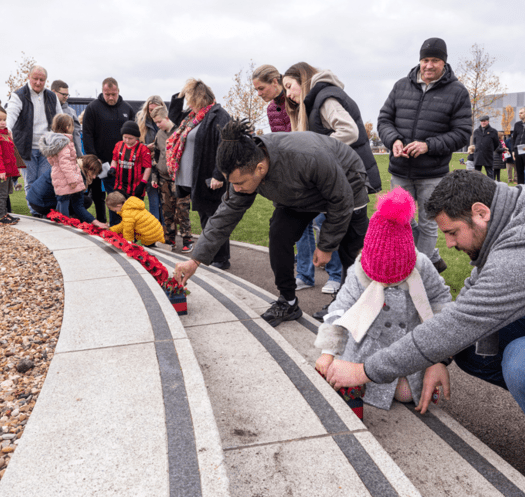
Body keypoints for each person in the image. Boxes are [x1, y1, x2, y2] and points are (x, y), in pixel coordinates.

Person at [325, 170, 525, 497]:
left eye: (451, 232)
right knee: (475, 348)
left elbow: (461, 320)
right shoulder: (510, 214)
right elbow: (469, 305)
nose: (448, 244)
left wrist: (365, 371)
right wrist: (440, 356)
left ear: (480, 212)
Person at [174, 119, 370, 327]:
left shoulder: (307, 157)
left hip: (347, 183)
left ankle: (350, 305)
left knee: (351, 251)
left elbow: (341, 199)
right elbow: (225, 215)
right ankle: (288, 302)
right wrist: (194, 260)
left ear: (260, 168)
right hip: (299, 194)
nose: (236, 189)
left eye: (239, 183)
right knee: (279, 234)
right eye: (233, 184)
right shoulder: (245, 166)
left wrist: (326, 245)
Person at [314, 187, 452, 412]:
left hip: (409, 345)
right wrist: (328, 352)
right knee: (339, 376)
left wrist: (438, 355)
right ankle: (356, 384)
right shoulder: (359, 270)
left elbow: (440, 300)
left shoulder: (422, 265)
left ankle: (382, 382)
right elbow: (340, 309)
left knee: (406, 395)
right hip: (369, 346)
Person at [283, 61, 380, 313]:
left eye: (289, 86)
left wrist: (314, 152)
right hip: (346, 180)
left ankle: (355, 306)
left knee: (353, 250)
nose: (288, 94)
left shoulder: (325, 98)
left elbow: (349, 131)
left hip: (352, 182)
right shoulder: (317, 100)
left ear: (302, 80)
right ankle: (348, 304)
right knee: (351, 249)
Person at [377, 37, 472, 274]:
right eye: (425, 60)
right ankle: (432, 260)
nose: (429, 65)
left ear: (444, 62)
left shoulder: (457, 92)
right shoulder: (401, 86)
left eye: (435, 61)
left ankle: (417, 274)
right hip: (400, 170)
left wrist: (428, 146)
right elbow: (384, 120)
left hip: (432, 173)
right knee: (401, 221)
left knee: (429, 225)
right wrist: (394, 140)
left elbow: (462, 133)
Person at [166, 79, 232, 269]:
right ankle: (212, 257)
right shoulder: (194, 117)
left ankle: (221, 259)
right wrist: (180, 94)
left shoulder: (218, 115)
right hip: (195, 179)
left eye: (190, 98)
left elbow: (225, 145)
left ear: (200, 97)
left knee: (214, 220)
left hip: (210, 178)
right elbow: (174, 115)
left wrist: (218, 175)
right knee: (206, 218)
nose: (188, 103)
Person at [6, 65, 63, 205]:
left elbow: (60, 118)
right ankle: (35, 212)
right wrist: (7, 128)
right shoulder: (18, 95)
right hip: (26, 147)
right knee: (30, 182)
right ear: (29, 77)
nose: (38, 82)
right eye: (35, 79)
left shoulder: (51, 97)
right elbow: (11, 114)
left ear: (46, 81)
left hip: (47, 147)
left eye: (42, 80)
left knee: (45, 181)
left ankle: (43, 210)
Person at [82, 77, 135, 224]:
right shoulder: (93, 108)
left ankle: (118, 226)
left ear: (118, 91)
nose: (110, 97)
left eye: (113, 94)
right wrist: (93, 158)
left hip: (121, 162)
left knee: (118, 195)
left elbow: (134, 136)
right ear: (102, 91)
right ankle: (102, 221)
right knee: (98, 194)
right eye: (107, 94)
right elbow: (87, 134)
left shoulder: (127, 109)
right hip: (99, 160)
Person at [150, 105, 193, 252]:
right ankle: (170, 240)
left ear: (167, 118)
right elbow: (155, 155)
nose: (158, 125)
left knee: (182, 210)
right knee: (167, 211)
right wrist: (155, 176)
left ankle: (187, 239)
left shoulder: (180, 132)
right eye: (155, 123)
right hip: (163, 179)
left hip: (180, 180)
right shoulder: (159, 135)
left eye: (159, 121)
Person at [39, 114, 86, 218]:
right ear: (68, 127)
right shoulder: (64, 142)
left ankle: (58, 219)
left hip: (57, 173)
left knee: (61, 199)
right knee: (64, 200)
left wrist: (56, 166)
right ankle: (64, 222)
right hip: (65, 177)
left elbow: (51, 159)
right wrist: (72, 179)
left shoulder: (53, 141)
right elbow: (65, 162)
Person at [136, 95, 167, 223]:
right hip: (149, 165)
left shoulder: (166, 121)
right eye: (150, 109)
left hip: (164, 165)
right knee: (154, 200)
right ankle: (154, 229)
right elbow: (134, 144)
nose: (153, 112)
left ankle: (165, 230)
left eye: (156, 109)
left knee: (165, 201)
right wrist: (146, 147)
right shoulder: (141, 122)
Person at [111, 121, 151, 203]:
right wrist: (112, 168)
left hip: (135, 188)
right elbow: (114, 160)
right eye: (125, 137)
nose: (127, 140)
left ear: (137, 137)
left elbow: (148, 167)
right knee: (120, 210)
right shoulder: (118, 145)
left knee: (134, 212)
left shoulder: (143, 149)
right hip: (120, 186)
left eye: (130, 138)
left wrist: (143, 184)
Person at [252, 64, 291, 133]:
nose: (259, 94)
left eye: (261, 88)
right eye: (256, 90)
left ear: (274, 82)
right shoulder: (271, 109)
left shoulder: (296, 100)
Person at [51, 80, 83, 157]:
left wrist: (79, 155)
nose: (66, 97)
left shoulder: (71, 112)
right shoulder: (44, 110)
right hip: (48, 156)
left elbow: (76, 136)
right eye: (63, 94)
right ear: (53, 92)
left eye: (67, 94)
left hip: (67, 155)